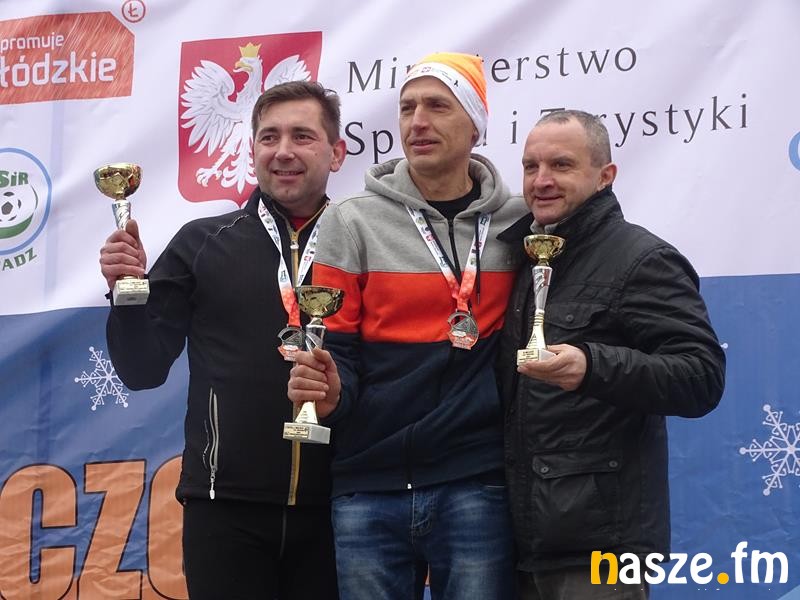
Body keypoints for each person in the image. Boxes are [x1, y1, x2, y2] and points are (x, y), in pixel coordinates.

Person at [287, 52, 526, 599]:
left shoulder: (517, 223)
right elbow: (336, 348)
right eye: (407, 108)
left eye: (438, 106)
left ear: (475, 125)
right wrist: (330, 393)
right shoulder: (351, 220)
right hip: (368, 484)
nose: (418, 122)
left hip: (475, 481)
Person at [99, 80, 346, 600]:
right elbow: (142, 370)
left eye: (302, 136)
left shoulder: (360, 241)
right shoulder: (201, 242)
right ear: (252, 151)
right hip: (225, 508)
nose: (283, 151)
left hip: (340, 507)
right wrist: (125, 294)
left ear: (337, 152)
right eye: (269, 137)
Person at [497, 110, 726, 599]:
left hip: (601, 550)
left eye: (561, 165)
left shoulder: (641, 259)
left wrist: (592, 366)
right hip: (514, 546)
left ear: (606, 176)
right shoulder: (518, 257)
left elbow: (701, 377)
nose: (541, 180)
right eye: (531, 166)